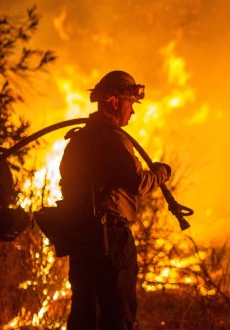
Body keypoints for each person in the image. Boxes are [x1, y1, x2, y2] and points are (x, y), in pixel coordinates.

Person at [58, 70, 171, 329]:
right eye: (130, 103)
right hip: (111, 241)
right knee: (117, 313)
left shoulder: (78, 140)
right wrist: (162, 172)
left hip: (83, 240)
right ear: (114, 101)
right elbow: (138, 181)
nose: (133, 111)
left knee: (85, 312)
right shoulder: (112, 139)